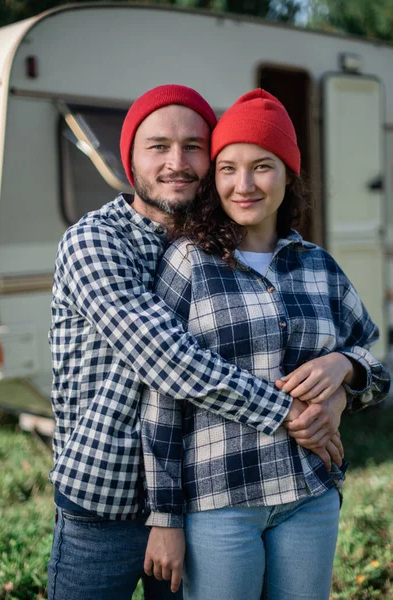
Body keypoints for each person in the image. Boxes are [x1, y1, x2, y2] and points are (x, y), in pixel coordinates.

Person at [47, 84, 347, 600]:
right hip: (108, 498)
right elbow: (169, 361)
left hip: (202, 496)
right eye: (158, 146)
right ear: (130, 159)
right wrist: (296, 413)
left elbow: (307, 344)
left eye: (194, 147)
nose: (177, 162)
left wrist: (343, 380)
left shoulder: (224, 248)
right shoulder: (95, 241)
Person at [140, 88, 391, 600]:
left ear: (288, 174)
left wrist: (344, 371)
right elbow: (161, 396)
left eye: (263, 166)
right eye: (228, 167)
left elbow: (377, 365)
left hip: (310, 495)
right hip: (221, 502)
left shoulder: (317, 265)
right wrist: (164, 517)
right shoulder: (189, 263)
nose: (244, 184)